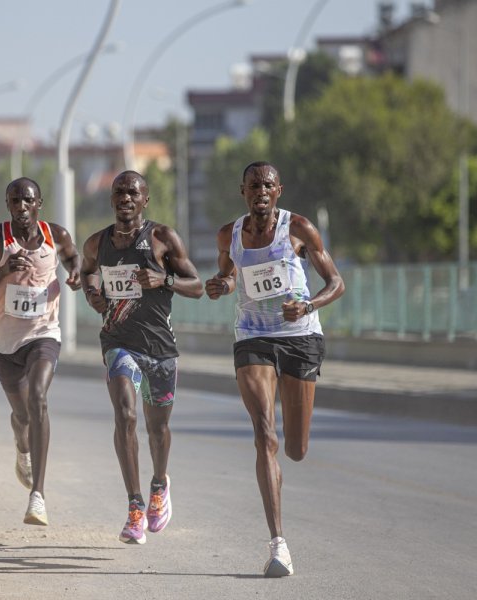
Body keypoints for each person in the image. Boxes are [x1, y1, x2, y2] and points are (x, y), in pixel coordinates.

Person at [205, 161, 345, 577]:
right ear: (243, 191)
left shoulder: (298, 228)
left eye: (267, 185)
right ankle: (278, 545)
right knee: (265, 434)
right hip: (252, 336)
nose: (260, 191)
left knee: (295, 449)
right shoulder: (229, 235)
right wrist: (221, 285)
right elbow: (230, 276)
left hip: (300, 336)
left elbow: (336, 283)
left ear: (278, 191)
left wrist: (308, 305)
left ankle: (286, 460)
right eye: (253, 186)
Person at [80, 170, 204, 545]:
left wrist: (165, 280)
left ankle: (158, 485)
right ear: (112, 199)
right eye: (120, 192)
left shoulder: (162, 238)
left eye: (133, 192)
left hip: (160, 350)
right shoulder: (97, 242)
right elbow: (87, 271)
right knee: (125, 414)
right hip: (118, 342)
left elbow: (197, 286)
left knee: (157, 430)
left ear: (145, 200)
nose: (126, 198)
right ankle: (135, 508)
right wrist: (92, 293)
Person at [0, 177, 81, 526]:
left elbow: (73, 259)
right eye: (15, 201)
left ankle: (38, 496)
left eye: (28, 200)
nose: (21, 207)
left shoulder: (56, 235)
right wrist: (4, 271)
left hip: (44, 334)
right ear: (7, 204)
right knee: (22, 417)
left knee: (38, 399)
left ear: (39, 204)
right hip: (5, 344)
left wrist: (76, 274)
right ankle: (22, 447)